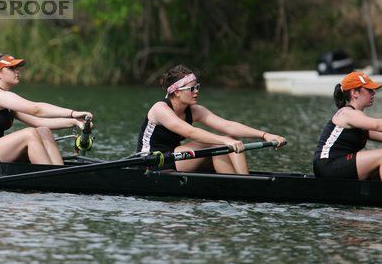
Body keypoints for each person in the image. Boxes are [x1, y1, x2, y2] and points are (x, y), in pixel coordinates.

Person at [137, 65, 286, 174]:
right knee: (220, 143)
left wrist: (266, 135)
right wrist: (224, 141)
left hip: (177, 157)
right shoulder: (160, 109)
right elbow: (191, 132)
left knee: (226, 143)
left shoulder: (195, 110)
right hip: (152, 162)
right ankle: (244, 184)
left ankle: (243, 180)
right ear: (176, 92)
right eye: (191, 89)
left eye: (197, 87)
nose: (196, 92)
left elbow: (228, 126)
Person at [0, 54, 93, 165]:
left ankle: (61, 174)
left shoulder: (7, 100)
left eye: (17, 68)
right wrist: (72, 112)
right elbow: (36, 109)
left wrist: (75, 121)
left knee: (43, 131)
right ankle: (52, 178)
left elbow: (39, 121)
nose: (17, 71)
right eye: (12, 68)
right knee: (29, 134)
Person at [312, 71, 382, 180]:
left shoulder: (359, 120)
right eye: (369, 89)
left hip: (339, 165)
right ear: (354, 93)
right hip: (328, 165)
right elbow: (378, 125)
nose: (373, 93)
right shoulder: (347, 113)